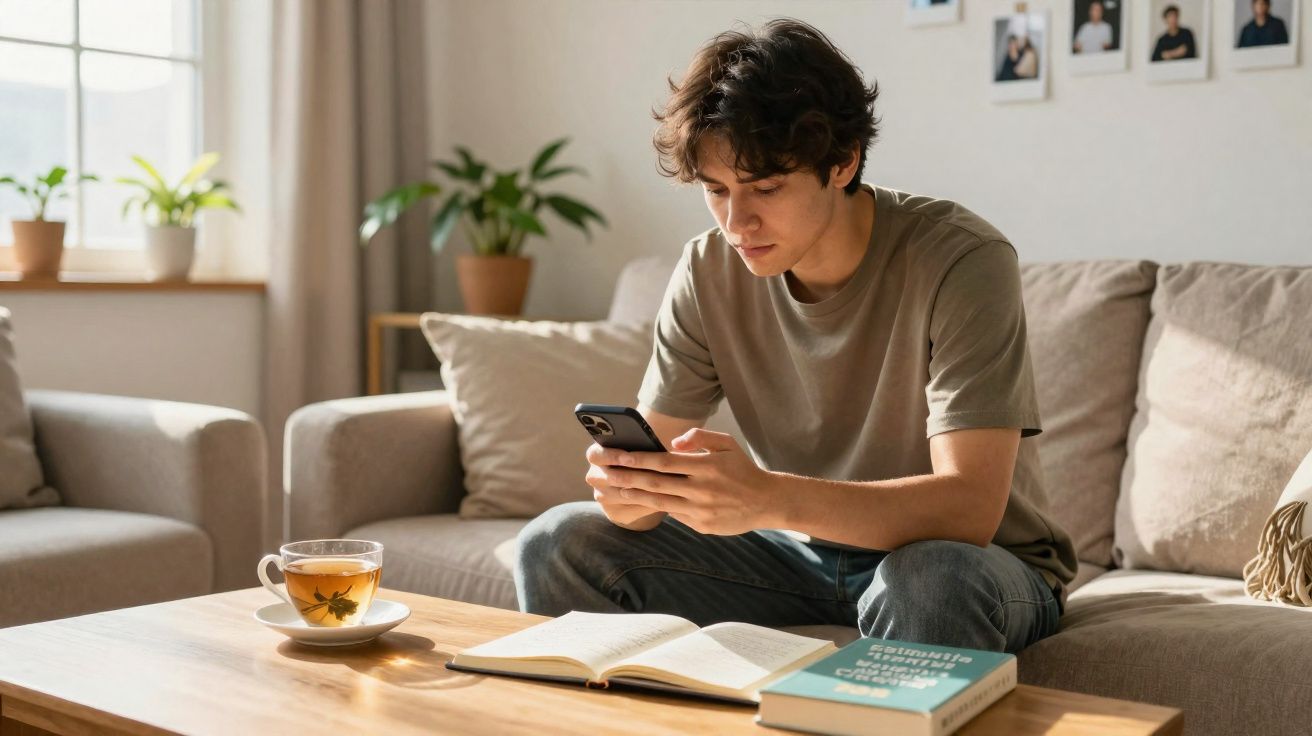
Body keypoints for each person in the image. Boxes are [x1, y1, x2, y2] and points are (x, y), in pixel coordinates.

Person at [514, 18, 1076, 654]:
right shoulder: (707, 269)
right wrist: (629, 489)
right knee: (559, 544)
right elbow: (640, 504)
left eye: (767, 187)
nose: (737, 220)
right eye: (716, 190)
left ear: (843, 161)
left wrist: (766, 497)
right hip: (798, 557)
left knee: (928, 579)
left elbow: (970, 509)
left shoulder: (962, 259)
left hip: (972, 562)